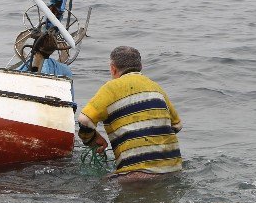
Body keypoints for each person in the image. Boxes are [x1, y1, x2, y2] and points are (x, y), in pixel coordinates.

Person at [77, 46, 182, 177]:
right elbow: (177, 125)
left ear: (113, 68)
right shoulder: (156, 88)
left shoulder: (111, 88)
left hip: (136, 174)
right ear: (141, 66)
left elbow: (84, 120)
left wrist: (91, 139)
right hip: (173, 171)